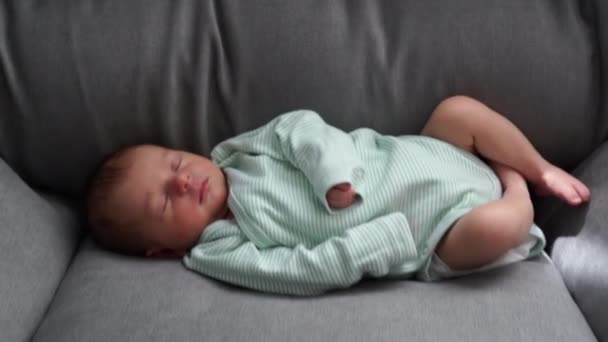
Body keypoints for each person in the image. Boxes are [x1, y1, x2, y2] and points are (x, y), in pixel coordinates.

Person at [86, 96, 590, 296]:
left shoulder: (234, 155)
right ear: (166, 251)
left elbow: (296, 127)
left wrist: (329, 173)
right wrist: (387, 239)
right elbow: (304, 270)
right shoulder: (220, 250)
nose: (182, 181)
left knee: (457, 111)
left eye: (173, 163)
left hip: (418, 153)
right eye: (164, 203)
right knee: (494, 228)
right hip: (432, 231)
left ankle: (536, 167)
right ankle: (516, 189)